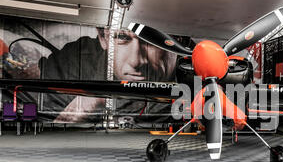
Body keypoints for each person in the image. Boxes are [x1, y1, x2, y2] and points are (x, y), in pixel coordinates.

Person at [38, 27, 179, 123]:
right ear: (103, 38)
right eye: (123, 37)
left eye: (150, 41)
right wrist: (81, 108)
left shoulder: (195, 76)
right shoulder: (69, 64)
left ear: (180, 41)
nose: (135, 61)